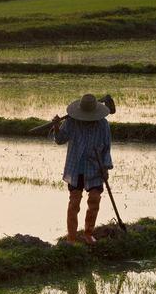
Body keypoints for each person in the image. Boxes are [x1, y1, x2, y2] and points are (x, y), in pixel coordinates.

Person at [48, 93, 114, 244]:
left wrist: (105, 168)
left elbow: (107, 148)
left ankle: (88, 233)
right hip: (76, 166)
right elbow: (60, 140)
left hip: (95, 167)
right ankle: (71, 237)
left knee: (94, 200)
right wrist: (56, 127)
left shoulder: (103, 124)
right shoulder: (72, 122)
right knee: (74, 202)